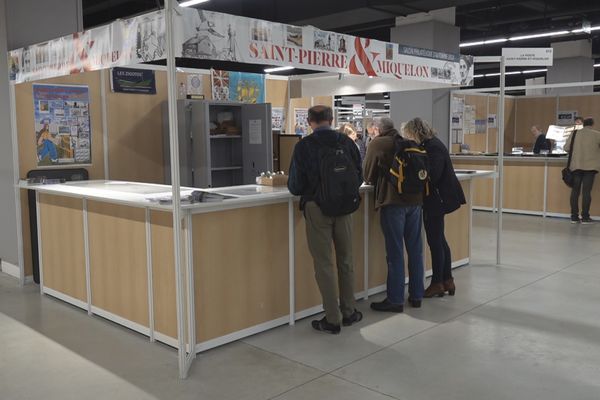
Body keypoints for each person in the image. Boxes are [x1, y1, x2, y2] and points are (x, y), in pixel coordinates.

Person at [288, 105, 363, 334]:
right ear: (331, 119)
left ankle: (333, 317)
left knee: (324, 263)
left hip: (317, 208)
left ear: (309, 121)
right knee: (346, 259)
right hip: (345, 209)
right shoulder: (347, 143)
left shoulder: (304, 146)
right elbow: (358, 176)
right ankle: (349, 310)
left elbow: (295, 186)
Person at [363, 118, 424, 312]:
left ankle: (396, 300)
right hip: (415, 202)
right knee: (416, 250)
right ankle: (416, 296)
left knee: (395, 252)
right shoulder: (409, 142)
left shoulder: (378, 143)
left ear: (377, 129)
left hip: (393, 203)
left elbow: (367, 175)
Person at [401, 118, 466, 297]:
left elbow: (433, 175)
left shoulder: (432, 147)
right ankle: (447, 280)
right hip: (439, 199)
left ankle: (438, 281)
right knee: (440, 240)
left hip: (436, 200)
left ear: (415, 132)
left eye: (408, 134)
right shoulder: (432, 144)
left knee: (435, 241)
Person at [564, 118, 600, 224]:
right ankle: (585, 217)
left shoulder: (575, 134)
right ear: (593, 124)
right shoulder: (597, 134)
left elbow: (566, 148)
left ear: (583, 124)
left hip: (576, 166)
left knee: (575, 191)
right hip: (590, 167)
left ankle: (574, 217)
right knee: (586, 192)